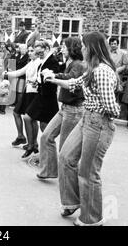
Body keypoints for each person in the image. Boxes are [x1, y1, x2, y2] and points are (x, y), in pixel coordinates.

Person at [44, 31, 119, 226]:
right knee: (66, 157)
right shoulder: (92, 69)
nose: (82, 49)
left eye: (85, 46)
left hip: (98, 122)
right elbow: (73, 83)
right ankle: (72, 202)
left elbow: (112, 107)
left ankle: (92, 218)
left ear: (92, 48)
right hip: (86, 118)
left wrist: (100, 112)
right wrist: (53, 79)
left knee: (88, 173)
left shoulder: (102, 71)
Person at [37, 37, 85, 179]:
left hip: (73, 110)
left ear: (71, 49)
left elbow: (71, 79)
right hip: (65, 108)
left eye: (65, 46)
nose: (62, 48)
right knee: (46, 137)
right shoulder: (71, 62)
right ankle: (50, 170)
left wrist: (53, 76)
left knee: (65, 147)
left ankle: (68, 178)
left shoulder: (78, 64)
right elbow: (66, 75)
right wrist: (54, 75)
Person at [22, 39, 60, 158]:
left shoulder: (52, 61)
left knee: (45, 128)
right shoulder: (44, 60)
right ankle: (32, 145)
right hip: (41, 95)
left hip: (48, 98)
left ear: (47, 49)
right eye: (37, 54)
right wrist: (37, 82)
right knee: (28, 118)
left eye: (40, 53)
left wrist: (43, 80)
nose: (39, 56)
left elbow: (53, 79)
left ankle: (48, 154)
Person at [10, 44, 30, 147]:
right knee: (18, 113)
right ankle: (23, 138)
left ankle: (31, 144)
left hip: (25, 81)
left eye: (27, 50)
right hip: (18, 76)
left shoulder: (29, 60)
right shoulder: (18, 56)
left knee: (29, 118)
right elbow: (17, 67)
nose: (28, 52)